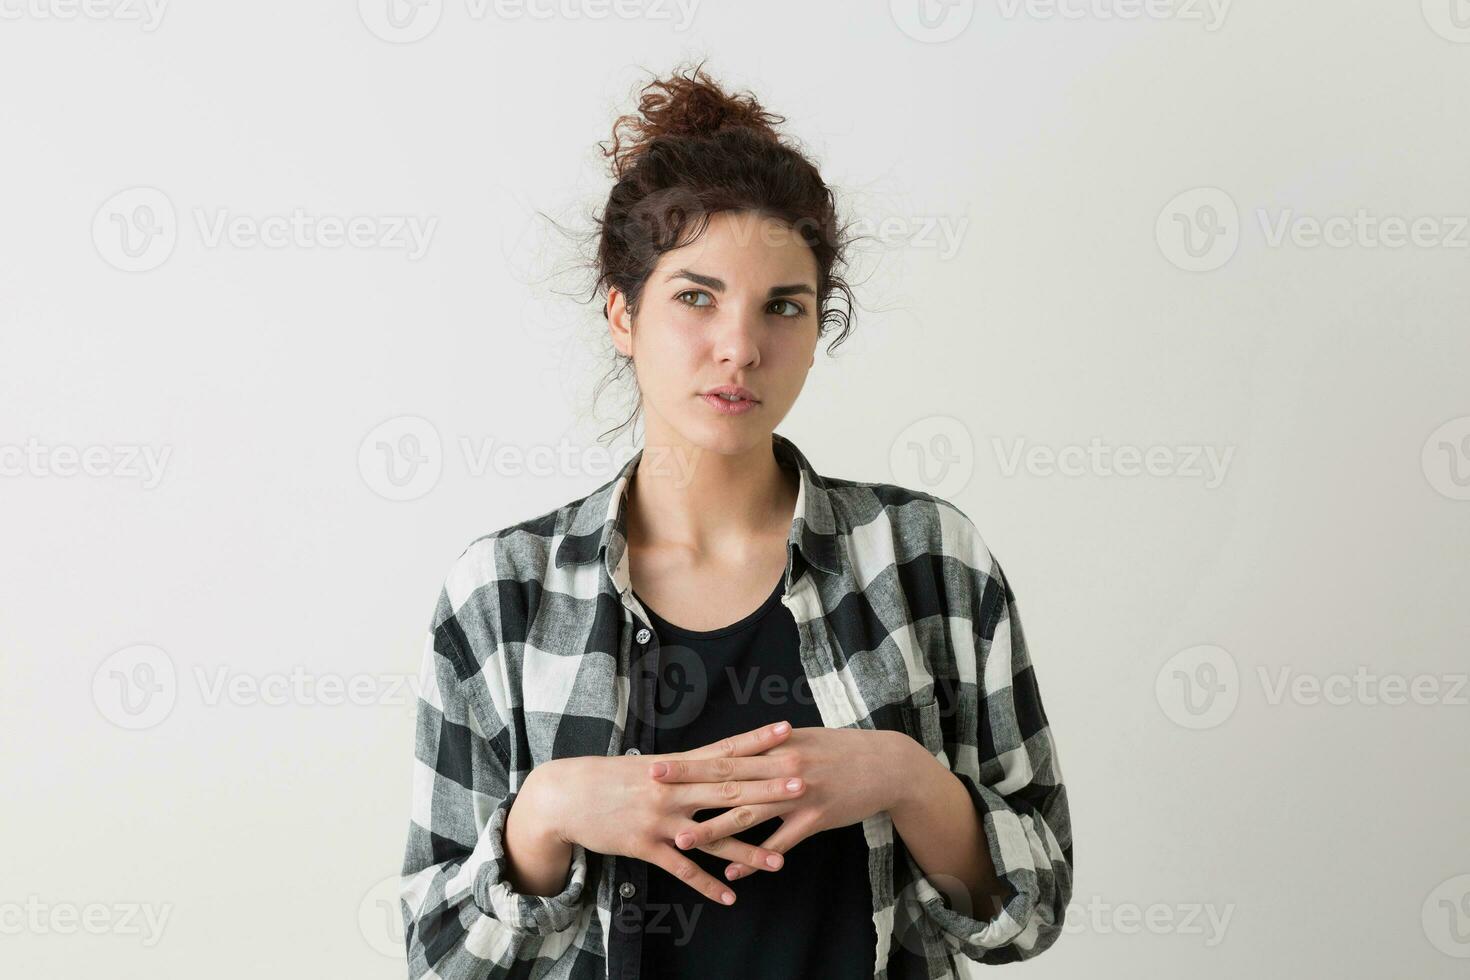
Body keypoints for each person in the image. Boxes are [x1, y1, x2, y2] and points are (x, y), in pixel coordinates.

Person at [398, 61, 1072, 980]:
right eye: (695, 296)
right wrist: (546, 812)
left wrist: (906, 779)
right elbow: (441, 960)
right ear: (621, 313)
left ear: (818, 325)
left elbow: (1027, 915)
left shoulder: (929, 558)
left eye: (782, 307)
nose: (741, 348)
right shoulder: (502, 595)